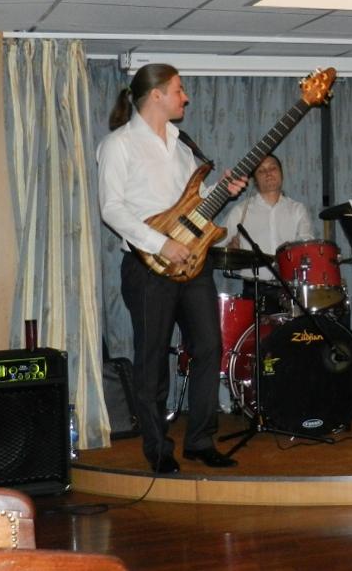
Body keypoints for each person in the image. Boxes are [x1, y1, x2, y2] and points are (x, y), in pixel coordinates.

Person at [98, 63, 248, 474]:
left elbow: (193, 206)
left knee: (209, 347)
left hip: (193, 264)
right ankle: (158, 449)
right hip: (146, 266)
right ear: (157, 95)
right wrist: (162, 243)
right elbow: (111, 209)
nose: (186, 97)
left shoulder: (184, 148)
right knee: (152, 359)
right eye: (179, 90)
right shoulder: (119, 144)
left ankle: (200, 440)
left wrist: (224, 190)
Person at [223, 154, 315, 313]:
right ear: (254, 180)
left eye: (273, 168)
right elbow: (217, 241)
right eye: (261, 170)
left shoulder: (297, 209)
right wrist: (230, 248)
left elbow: (306, 243)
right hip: (254, 290)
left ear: (282, 174)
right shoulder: (241, 211)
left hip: (291, 290)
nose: (268, 173)